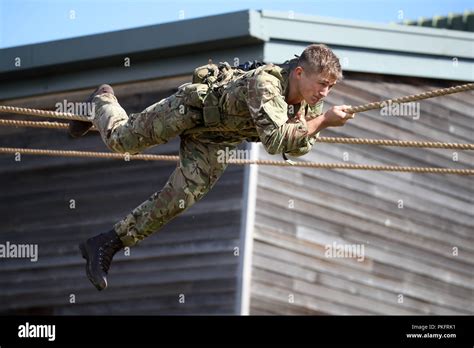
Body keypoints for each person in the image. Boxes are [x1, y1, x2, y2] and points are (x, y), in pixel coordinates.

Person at [71, 43, 355, 291]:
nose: (324, 93)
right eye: (321, 84)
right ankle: (102, 100)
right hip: (189, 111)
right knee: (122, 140)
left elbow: (299, 147)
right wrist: (323, 122)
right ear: (299, 73)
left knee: (179, 199)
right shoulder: (266, 83)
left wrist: (312, 122)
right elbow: (276, 141)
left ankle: (106, 243)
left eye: (330, 87)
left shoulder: (309, 105)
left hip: (217, 140)